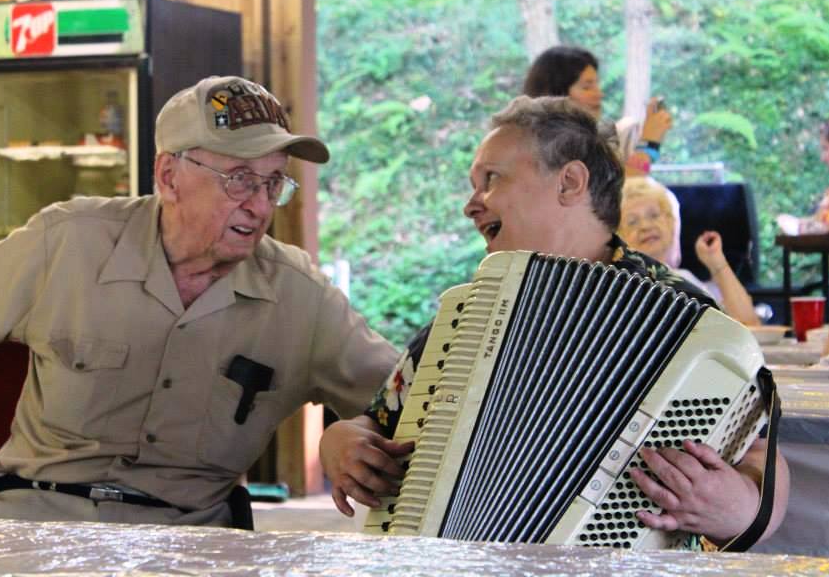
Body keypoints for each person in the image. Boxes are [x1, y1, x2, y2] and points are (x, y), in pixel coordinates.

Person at [0, 75, 398, 526]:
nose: (260, 205)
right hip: (25, 521)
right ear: (169, 177)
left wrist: (347, 433)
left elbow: (411, 396)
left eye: (273, 182)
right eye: (240, 180)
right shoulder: (69, 240)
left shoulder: (300, 297)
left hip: (185, 545)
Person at [320, 96, 789, 549]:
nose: (471, 204)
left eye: (491, 179)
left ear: (569, 183)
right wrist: (340, 441)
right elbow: (377, 422)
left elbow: (760, 455)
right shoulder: (467, 315)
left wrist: (740, 506)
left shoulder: (684, 315)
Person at [620, 176, 761, 326]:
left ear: (670, 222)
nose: (645, 226)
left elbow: (750, 325)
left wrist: (716, 262)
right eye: (632, 222)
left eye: (654, 215)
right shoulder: (624, 287)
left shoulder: (684, 278)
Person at [522, 45, 672, 175]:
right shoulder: (548, 147)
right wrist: (649, 144)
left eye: (597, 84)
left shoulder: (590, 141)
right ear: (556, 94)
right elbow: (626, 187)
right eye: (587, 87)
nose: (599, 94)